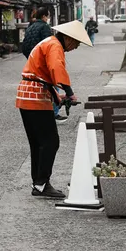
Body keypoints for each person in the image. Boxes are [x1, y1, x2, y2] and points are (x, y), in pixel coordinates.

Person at [16, 20, 93, 199]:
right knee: (51, 141)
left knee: (38, 143)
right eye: (76, 43)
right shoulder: (54, 45)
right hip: (35, 97)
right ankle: (42, 184)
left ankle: (39, 182)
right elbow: (56, 68)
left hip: (27, 95)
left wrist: (60, 98)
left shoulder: (49, 42)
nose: (76, 47)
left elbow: (44, 75)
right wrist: (70, 92)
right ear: (67, 38)